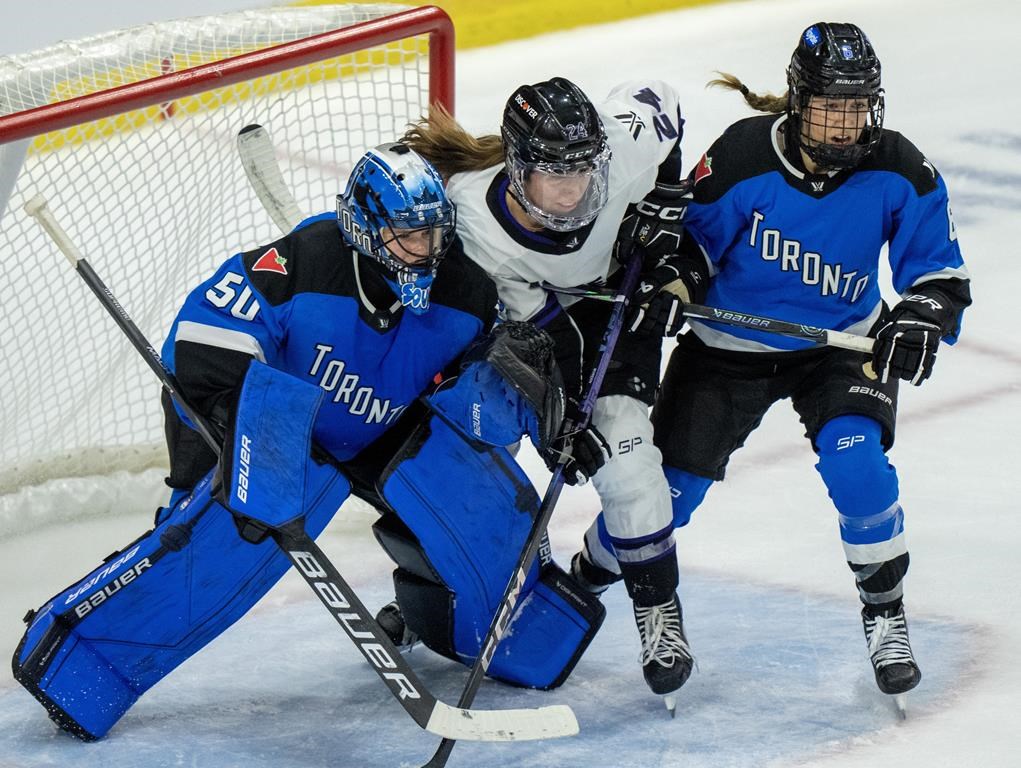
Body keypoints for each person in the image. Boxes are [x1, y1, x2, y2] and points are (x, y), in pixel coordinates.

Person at [13, 143, 602, 740]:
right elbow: (202, 335)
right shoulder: (304, 260)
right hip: (284, 430)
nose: (428, 252)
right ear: (366, 229)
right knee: (216, 542)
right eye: (409, 236)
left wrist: (547, 420)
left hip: (387, 427)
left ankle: (467, 627)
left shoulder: (467, 291)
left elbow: (480, 390)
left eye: (435, 235)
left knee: (492, 519)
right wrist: (247, 435)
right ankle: (81, 660)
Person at [644, 22, 972, 700]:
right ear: (797, 103)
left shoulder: (896, 169)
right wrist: (672, 285)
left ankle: (885, 614)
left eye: (858, 107)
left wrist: (921, 315)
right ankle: (611, 586)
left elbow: (939, 277)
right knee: (662, 499)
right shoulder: (740, 158)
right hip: (727, 349)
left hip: (839, 347)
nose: (846, 124)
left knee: (858, 463)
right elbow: (688, 253)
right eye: (831, 107)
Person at [401, 76, 710, 703]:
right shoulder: (472, 224)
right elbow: (534, 334)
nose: (574, 189)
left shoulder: (621, 148)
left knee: (628, 464)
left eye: (582, 170)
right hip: (532, 332)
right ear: (517, 168)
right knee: (467, 440)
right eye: (554, 174)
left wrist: (665, 213)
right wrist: (562, 417)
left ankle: (660, 615)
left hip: (616, 310)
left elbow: (665, 100)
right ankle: (441, 591)